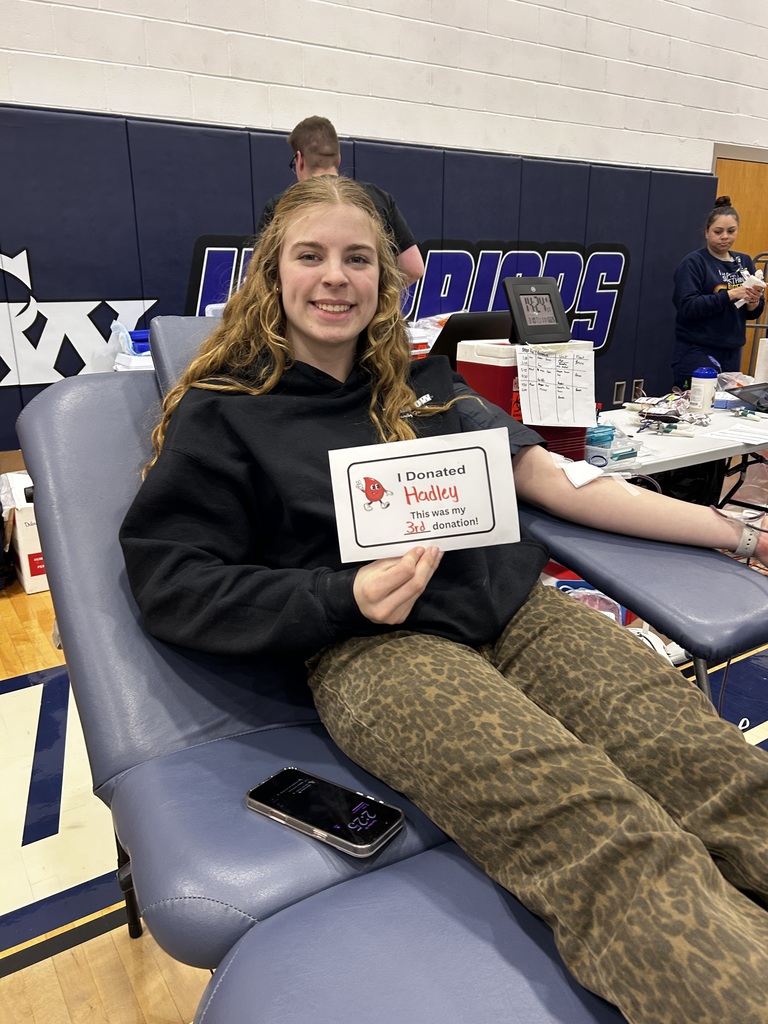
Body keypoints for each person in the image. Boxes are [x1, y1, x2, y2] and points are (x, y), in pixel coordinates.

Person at [120, 176, 768, 1024]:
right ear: (270, 273)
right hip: (376, 649)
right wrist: (340, 594)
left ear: (386, 278)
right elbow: (172, 577)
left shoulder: (419, 381)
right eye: (309, 256)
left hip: (517, 615)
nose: (334, 277)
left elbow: (552, 476)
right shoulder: (227, 412)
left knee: (712, 765)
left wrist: (741, 536)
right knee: (600, 832)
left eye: (359, 258)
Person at [256, 115, 424, 286]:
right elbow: (413, 268)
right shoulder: (379, 198)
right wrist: (374, 298)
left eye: (357, 259)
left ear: (299, 160)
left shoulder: (279, 205)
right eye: (310, 257)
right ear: (338, 159)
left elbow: (260, 280)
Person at [672, 194, 764, 390]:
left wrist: (754, 300)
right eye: (718, 231)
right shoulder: (694, 263)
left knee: (726, 408)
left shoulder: (744, 261)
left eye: (731, 231)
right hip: (698, 349)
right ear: (706, 232)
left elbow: (752, 313)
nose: (725, 237)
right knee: (700, 404)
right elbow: (687, 307)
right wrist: (731, 294)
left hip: (731, 350)